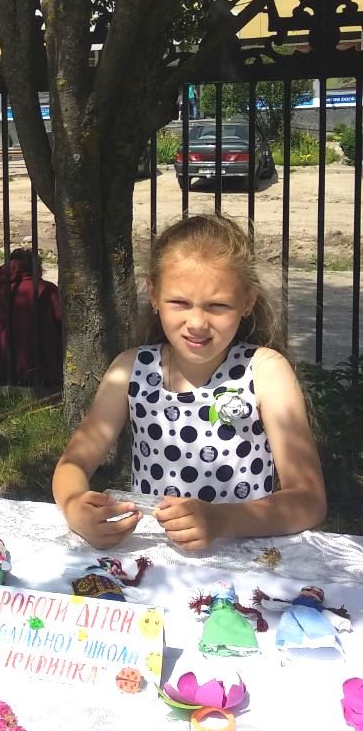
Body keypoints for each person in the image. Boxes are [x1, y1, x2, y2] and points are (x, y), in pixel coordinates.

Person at [52, 213, 326, 552]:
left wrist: (221, 521)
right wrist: (75, 507)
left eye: (218, 306)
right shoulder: (129, 370)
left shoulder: (266, 372)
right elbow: (72, 464)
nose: (197, 322)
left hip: (245, 562)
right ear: (153, 294)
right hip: (153, 560)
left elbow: (308, 500)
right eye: (180, 302)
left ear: (247, 302)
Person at [0, 249, 62, 387]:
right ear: (38, 269)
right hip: (44, 375)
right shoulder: (47, 290)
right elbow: (66, 330)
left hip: (0, 373)